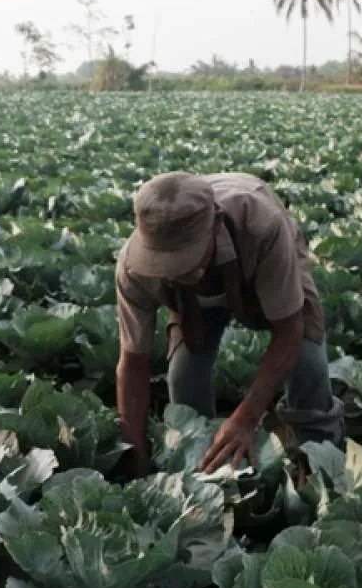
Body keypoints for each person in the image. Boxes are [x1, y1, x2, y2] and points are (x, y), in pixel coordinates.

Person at [114, 171, 345, 476]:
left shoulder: (262, 226)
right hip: (191, 303)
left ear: (216, 226)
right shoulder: (134, 269)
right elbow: (132, 364)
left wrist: (246, 418)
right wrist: (136, 456)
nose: (173, 271)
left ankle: (316, 455)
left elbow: (289, 330)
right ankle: (202, 463)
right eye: (163, 264)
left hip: (258, 264)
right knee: (184, 373)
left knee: (307, 358)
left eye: (184, 260)